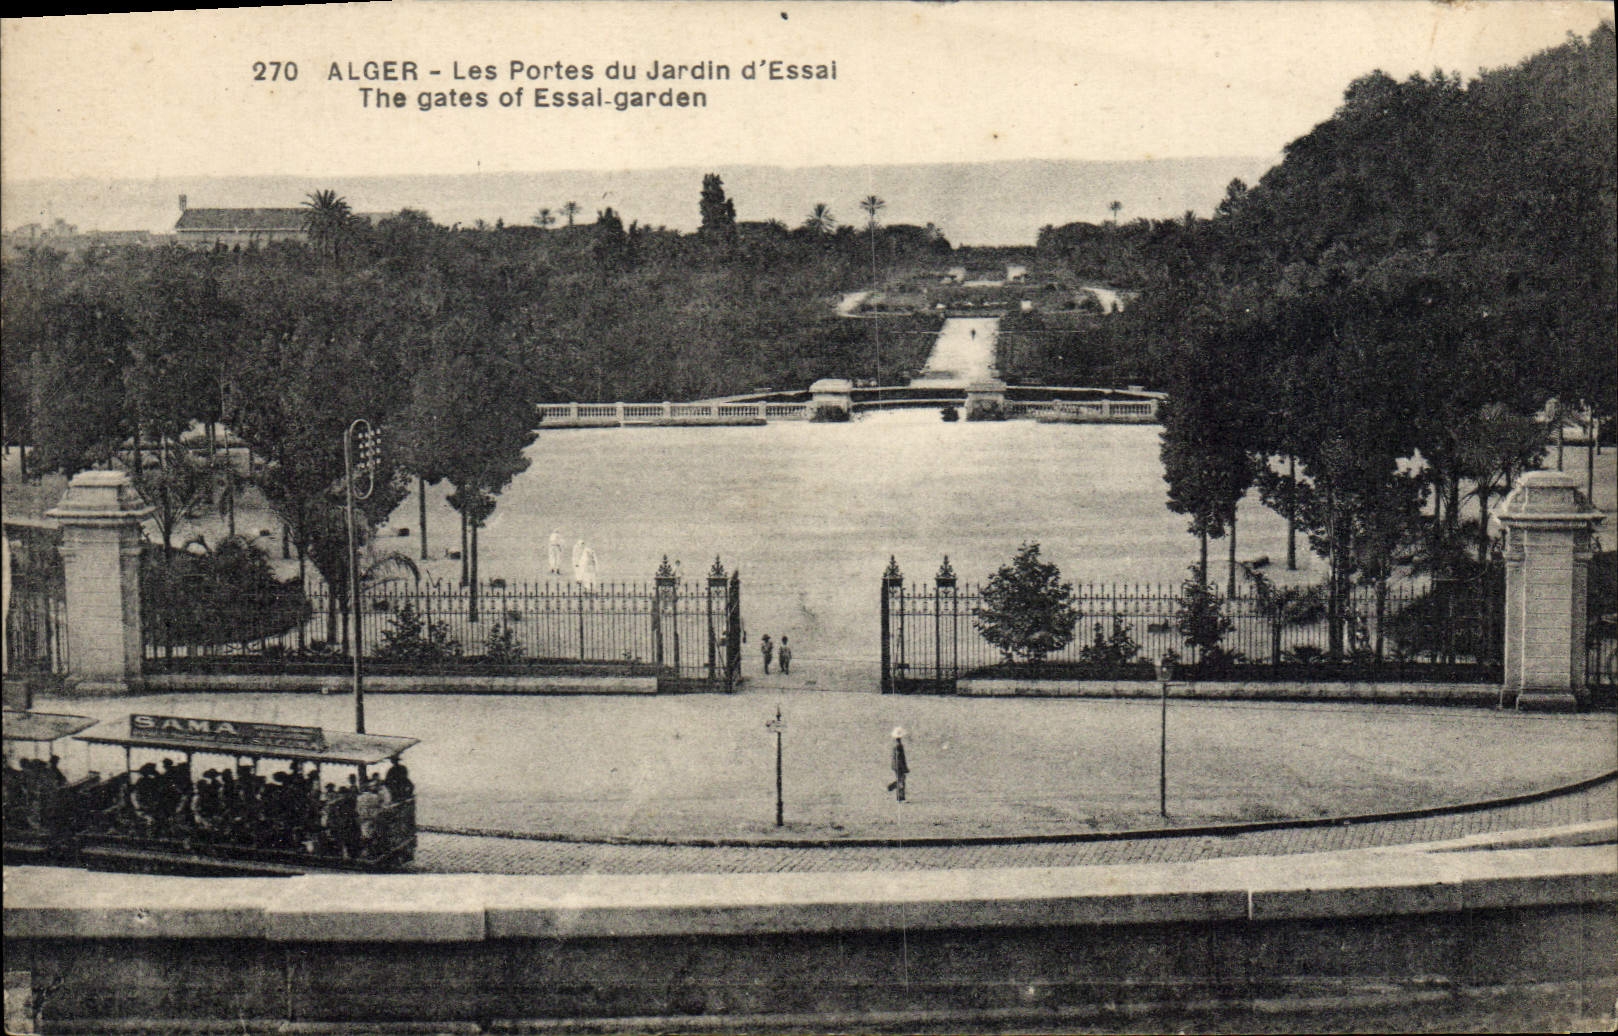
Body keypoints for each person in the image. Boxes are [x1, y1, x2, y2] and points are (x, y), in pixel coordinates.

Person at [887, 727, 908, 802]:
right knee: (901, 781)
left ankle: (894, 789)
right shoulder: (899, 746)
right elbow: (900, 758)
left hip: (896, 766)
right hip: (899, 766)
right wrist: (904, 767)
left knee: (900, 780)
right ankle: (900, 797)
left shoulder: (896, 745)